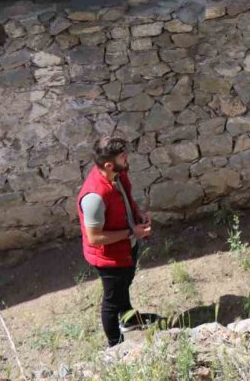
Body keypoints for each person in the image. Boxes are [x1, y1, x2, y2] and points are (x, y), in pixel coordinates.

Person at [77, 136, 153, 347]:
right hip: (109, 258)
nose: (127, 158)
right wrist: (131, 232)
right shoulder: (94, 197)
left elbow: (124, 200)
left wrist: (138, 215)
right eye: (122, 157)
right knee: (111, 302)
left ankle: (128, 319)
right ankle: (116, 346)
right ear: (109, 165)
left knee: (124, 285)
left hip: (126, 248)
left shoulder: (117, 175)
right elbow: (94, 238)